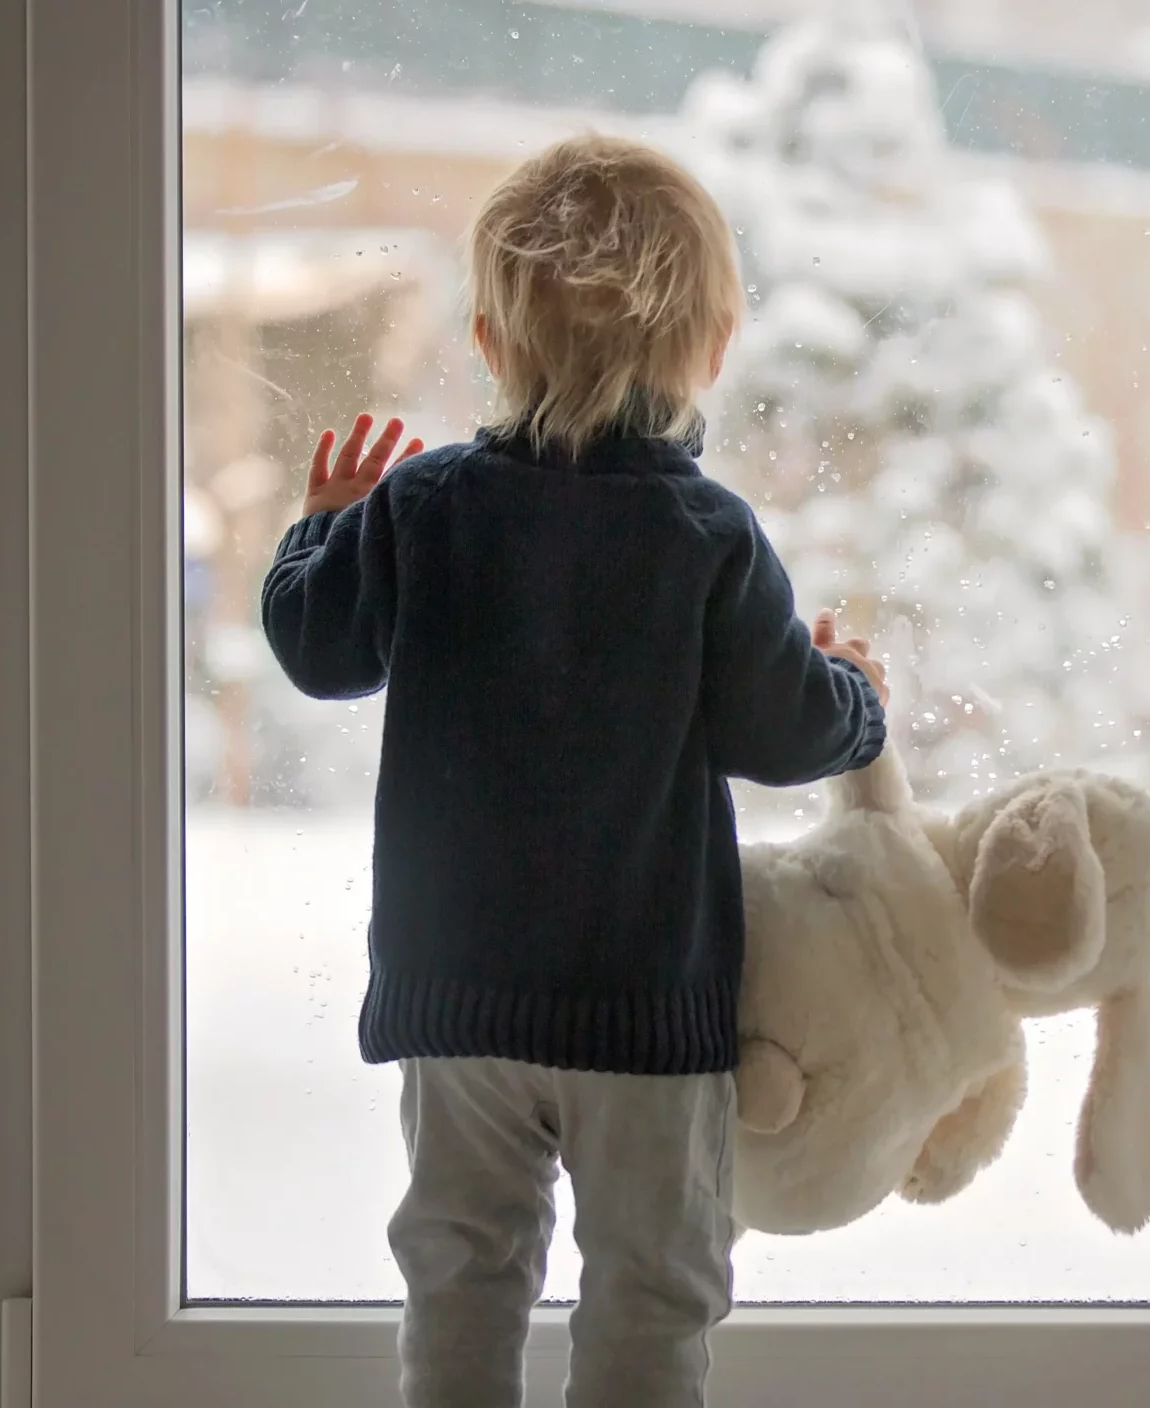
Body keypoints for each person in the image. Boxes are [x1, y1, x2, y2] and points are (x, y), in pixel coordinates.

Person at [260, 133, 889, 1408]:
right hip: (643, 1007)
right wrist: (857, 701)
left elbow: (319, 651)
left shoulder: (425, 506)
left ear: (489, 343)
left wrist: (322, 524)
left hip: (461, 1001)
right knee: (653, 1284)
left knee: (461, 1266)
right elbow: (779, 730)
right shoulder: (707, 534)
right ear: (715, 343)